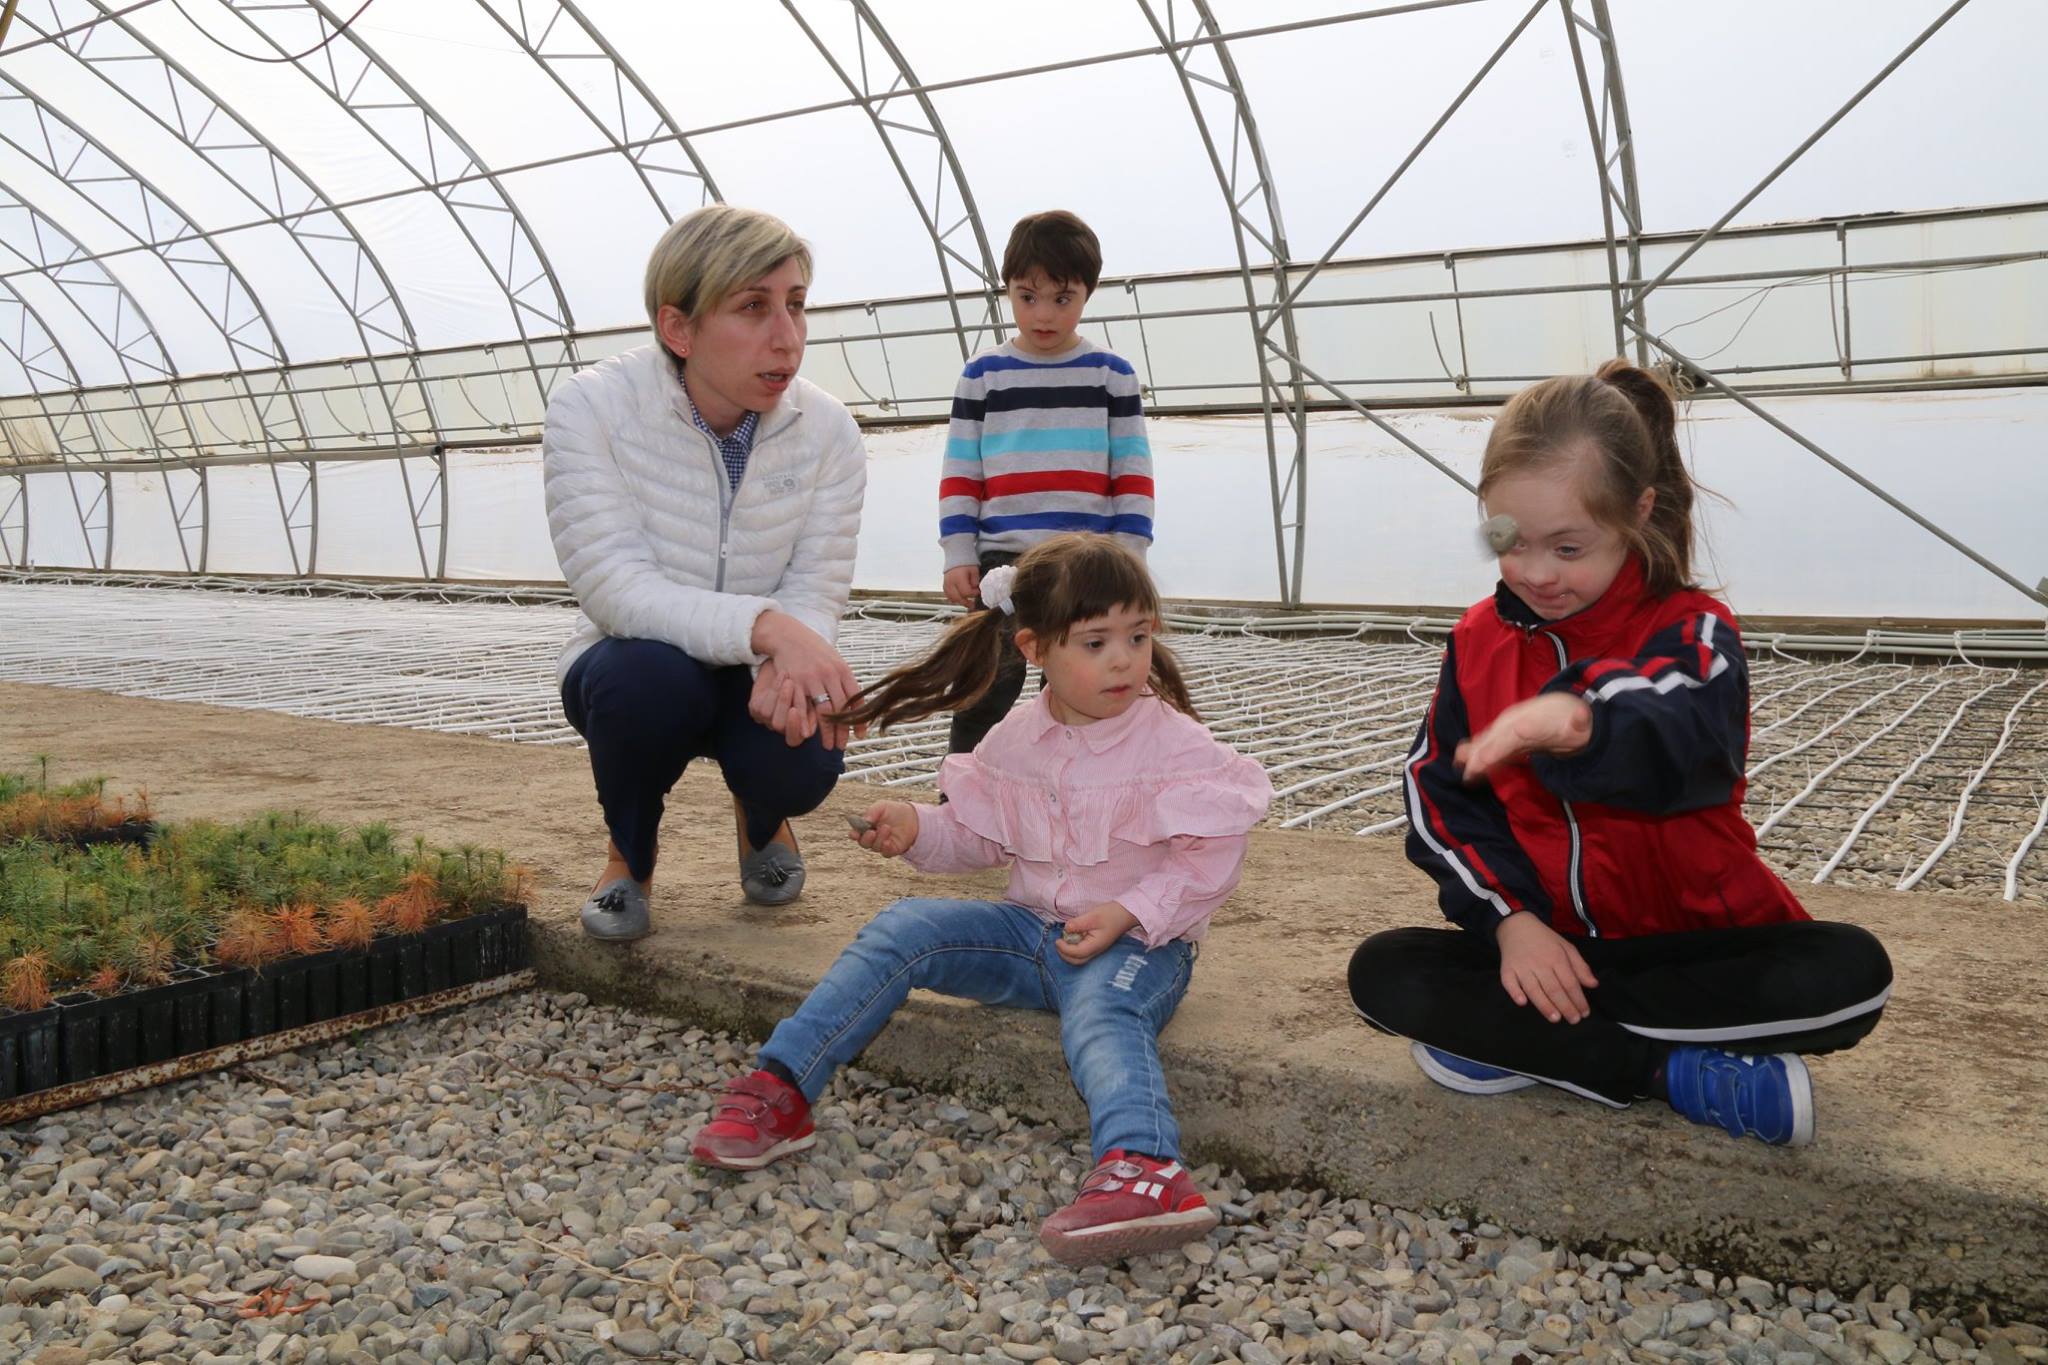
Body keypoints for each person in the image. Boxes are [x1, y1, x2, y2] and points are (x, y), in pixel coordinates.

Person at [1348, 360, 1892, 1146]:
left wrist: (1583, 720)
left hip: (1689, 945)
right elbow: (1439, 795)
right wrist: (1511, 923)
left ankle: (1527, 1041)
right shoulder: (1475, 639)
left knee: (1850, 976)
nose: (1537, 572)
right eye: (1509, 540)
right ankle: (1672, 1070)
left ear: (1637, 512)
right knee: (1382, 969)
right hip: (1553, 946)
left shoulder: (1695, 627)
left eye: (1570, 548)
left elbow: (1688, 727)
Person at [688, 535, 1271, 1266]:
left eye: (1138, 635)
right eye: (1096, 641)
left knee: (1102, 1012)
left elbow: (1211, 857)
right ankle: (782, 1086)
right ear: (1035, 649)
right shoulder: (1015, 739)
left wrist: (1128, 913)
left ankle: (1146, 1167)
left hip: (1139, 946)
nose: (1124, 658)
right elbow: (980, 838)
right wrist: (917, 829)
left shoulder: (1174, 743)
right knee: (905, 925)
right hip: (1031, 934)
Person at [542, 205, 867, 942]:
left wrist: (791, 655)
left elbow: (815, 583)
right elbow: (612, 584)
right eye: (753, 307)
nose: (787, 336)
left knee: (808, 751)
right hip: (635, 655)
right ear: (678, 329)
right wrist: (769, 628)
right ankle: (632, 853)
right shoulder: (591, 408)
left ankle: (761, 818)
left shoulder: (828, 432)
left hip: (755, 662)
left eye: (795, 305)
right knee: (641, 685)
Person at [937, 210, 1155, 754]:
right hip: (1002, 563)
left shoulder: (1110, 374)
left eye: (1063, 298)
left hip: (1086, 562)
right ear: (1007, 290)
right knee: (985, 688)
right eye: (1027, 296)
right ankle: (962, 804)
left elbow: (1132, 472)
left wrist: (1129, 556)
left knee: (1080, 690)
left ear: (1088, 294)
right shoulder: (983, 375)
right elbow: (962, 470)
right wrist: (957, 551)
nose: (1044, 314)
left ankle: (1071, 801)